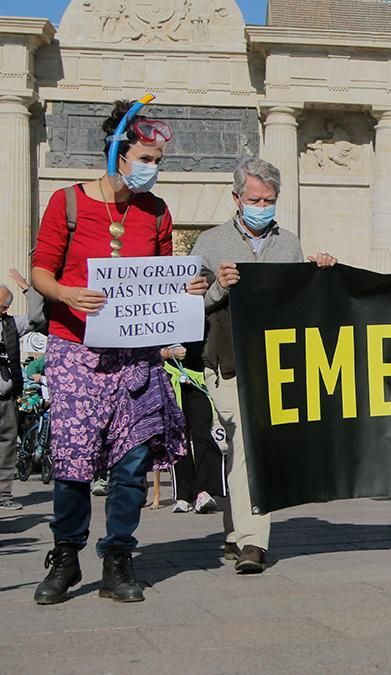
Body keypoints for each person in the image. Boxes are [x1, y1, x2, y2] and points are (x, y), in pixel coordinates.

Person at [30, 100, 207, 604]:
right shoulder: (67, 203)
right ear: (117, 153)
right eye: (145, 157)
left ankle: (119, 558)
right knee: (73, 463)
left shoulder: (156, 212)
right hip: (76, 352)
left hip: (134, 356)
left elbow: (162, 278)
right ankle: (65, 556)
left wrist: (186, 289)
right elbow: (42, 269)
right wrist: (65, 294)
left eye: (159, 161)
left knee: (131, 464)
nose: (152, 168)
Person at [191, 157, 338, 574]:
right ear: (237, 198)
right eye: (255, 199)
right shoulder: (209, 243)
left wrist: (318, 274)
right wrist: (220, 285)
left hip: (273, 364)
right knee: (240, 447)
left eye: (269, 200)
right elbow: (189, 305)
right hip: (227, 361)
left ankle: (251, 541)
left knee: (250, 449)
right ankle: (240, 533)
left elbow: (297, 302)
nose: (262, 205)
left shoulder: (288, 242)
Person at [0, 282, 46, 511]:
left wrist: (29, 290)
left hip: (6, 398)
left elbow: (38, 319)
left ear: (4, 308)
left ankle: (3, 495)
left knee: (7, 448)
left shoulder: (11, 324)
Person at [162, 343, 223, 515]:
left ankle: (204, 491)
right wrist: (166, 353)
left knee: (203, 430)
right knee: (178, 435)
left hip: (200, 374)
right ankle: (183, 494)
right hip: (171, 373)